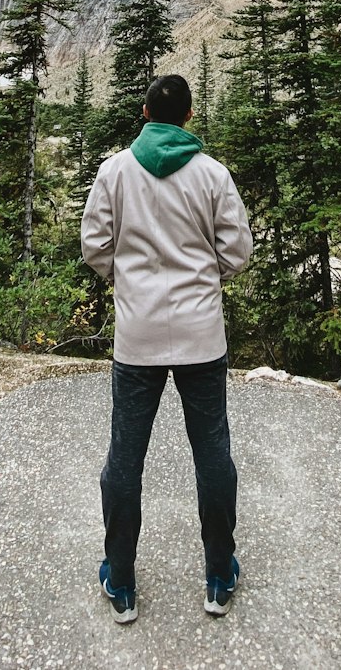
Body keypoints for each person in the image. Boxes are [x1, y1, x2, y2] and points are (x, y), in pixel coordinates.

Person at [81, 74, 253, 624]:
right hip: (202, 334)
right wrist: (207, 280)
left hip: (138, 337)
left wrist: (127, 283)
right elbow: (238, 251)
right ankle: (219, 575)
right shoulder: (212, 173)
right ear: (189, 115)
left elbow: (95, 246)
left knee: (125, 458)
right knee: (212, 454)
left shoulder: (114, 170)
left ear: (146, 112)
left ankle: (123, 580)